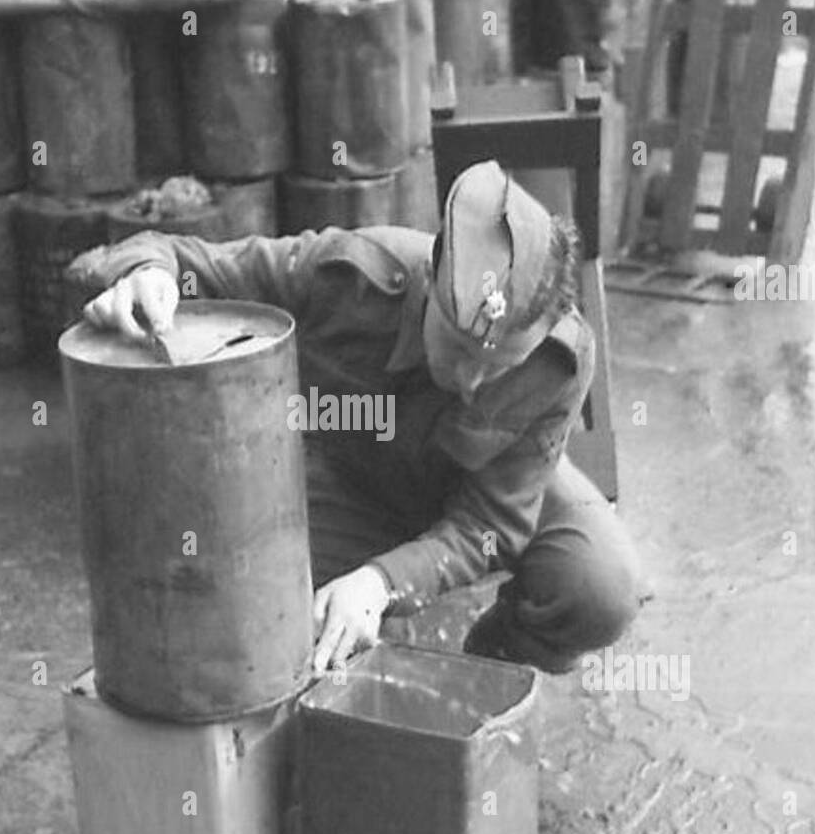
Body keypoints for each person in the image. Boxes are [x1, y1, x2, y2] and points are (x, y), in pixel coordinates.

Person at [84, 159, 639, 675]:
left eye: (499, 368)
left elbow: (490, 527)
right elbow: (179, 255)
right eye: (460, 349)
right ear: (432, 277)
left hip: (486, 493)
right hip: (357, 487)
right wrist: (146, 274)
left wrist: (382, 584)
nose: (472, 382)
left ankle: (486, 671)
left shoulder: (561, 360)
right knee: (259, 623)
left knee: (600, 589)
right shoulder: (351, 275)